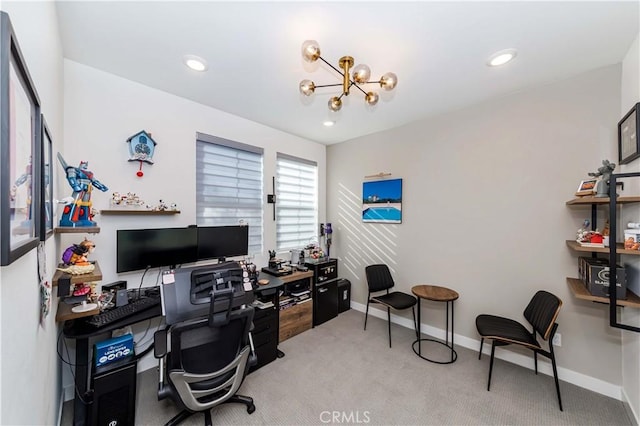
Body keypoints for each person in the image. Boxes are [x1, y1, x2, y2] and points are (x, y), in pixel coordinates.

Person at [57, 153, 108, 226]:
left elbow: (94, 181)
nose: (85, 165)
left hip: (87, 189)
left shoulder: (89, 173)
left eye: (86, 164)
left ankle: (84, 219)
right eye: (83, 163)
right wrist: (75, 186)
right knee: (75, 202)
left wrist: (101, 187)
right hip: (79, 187)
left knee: (86, 204)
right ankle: (69, 219)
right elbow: (71, 177)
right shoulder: (75, 170)